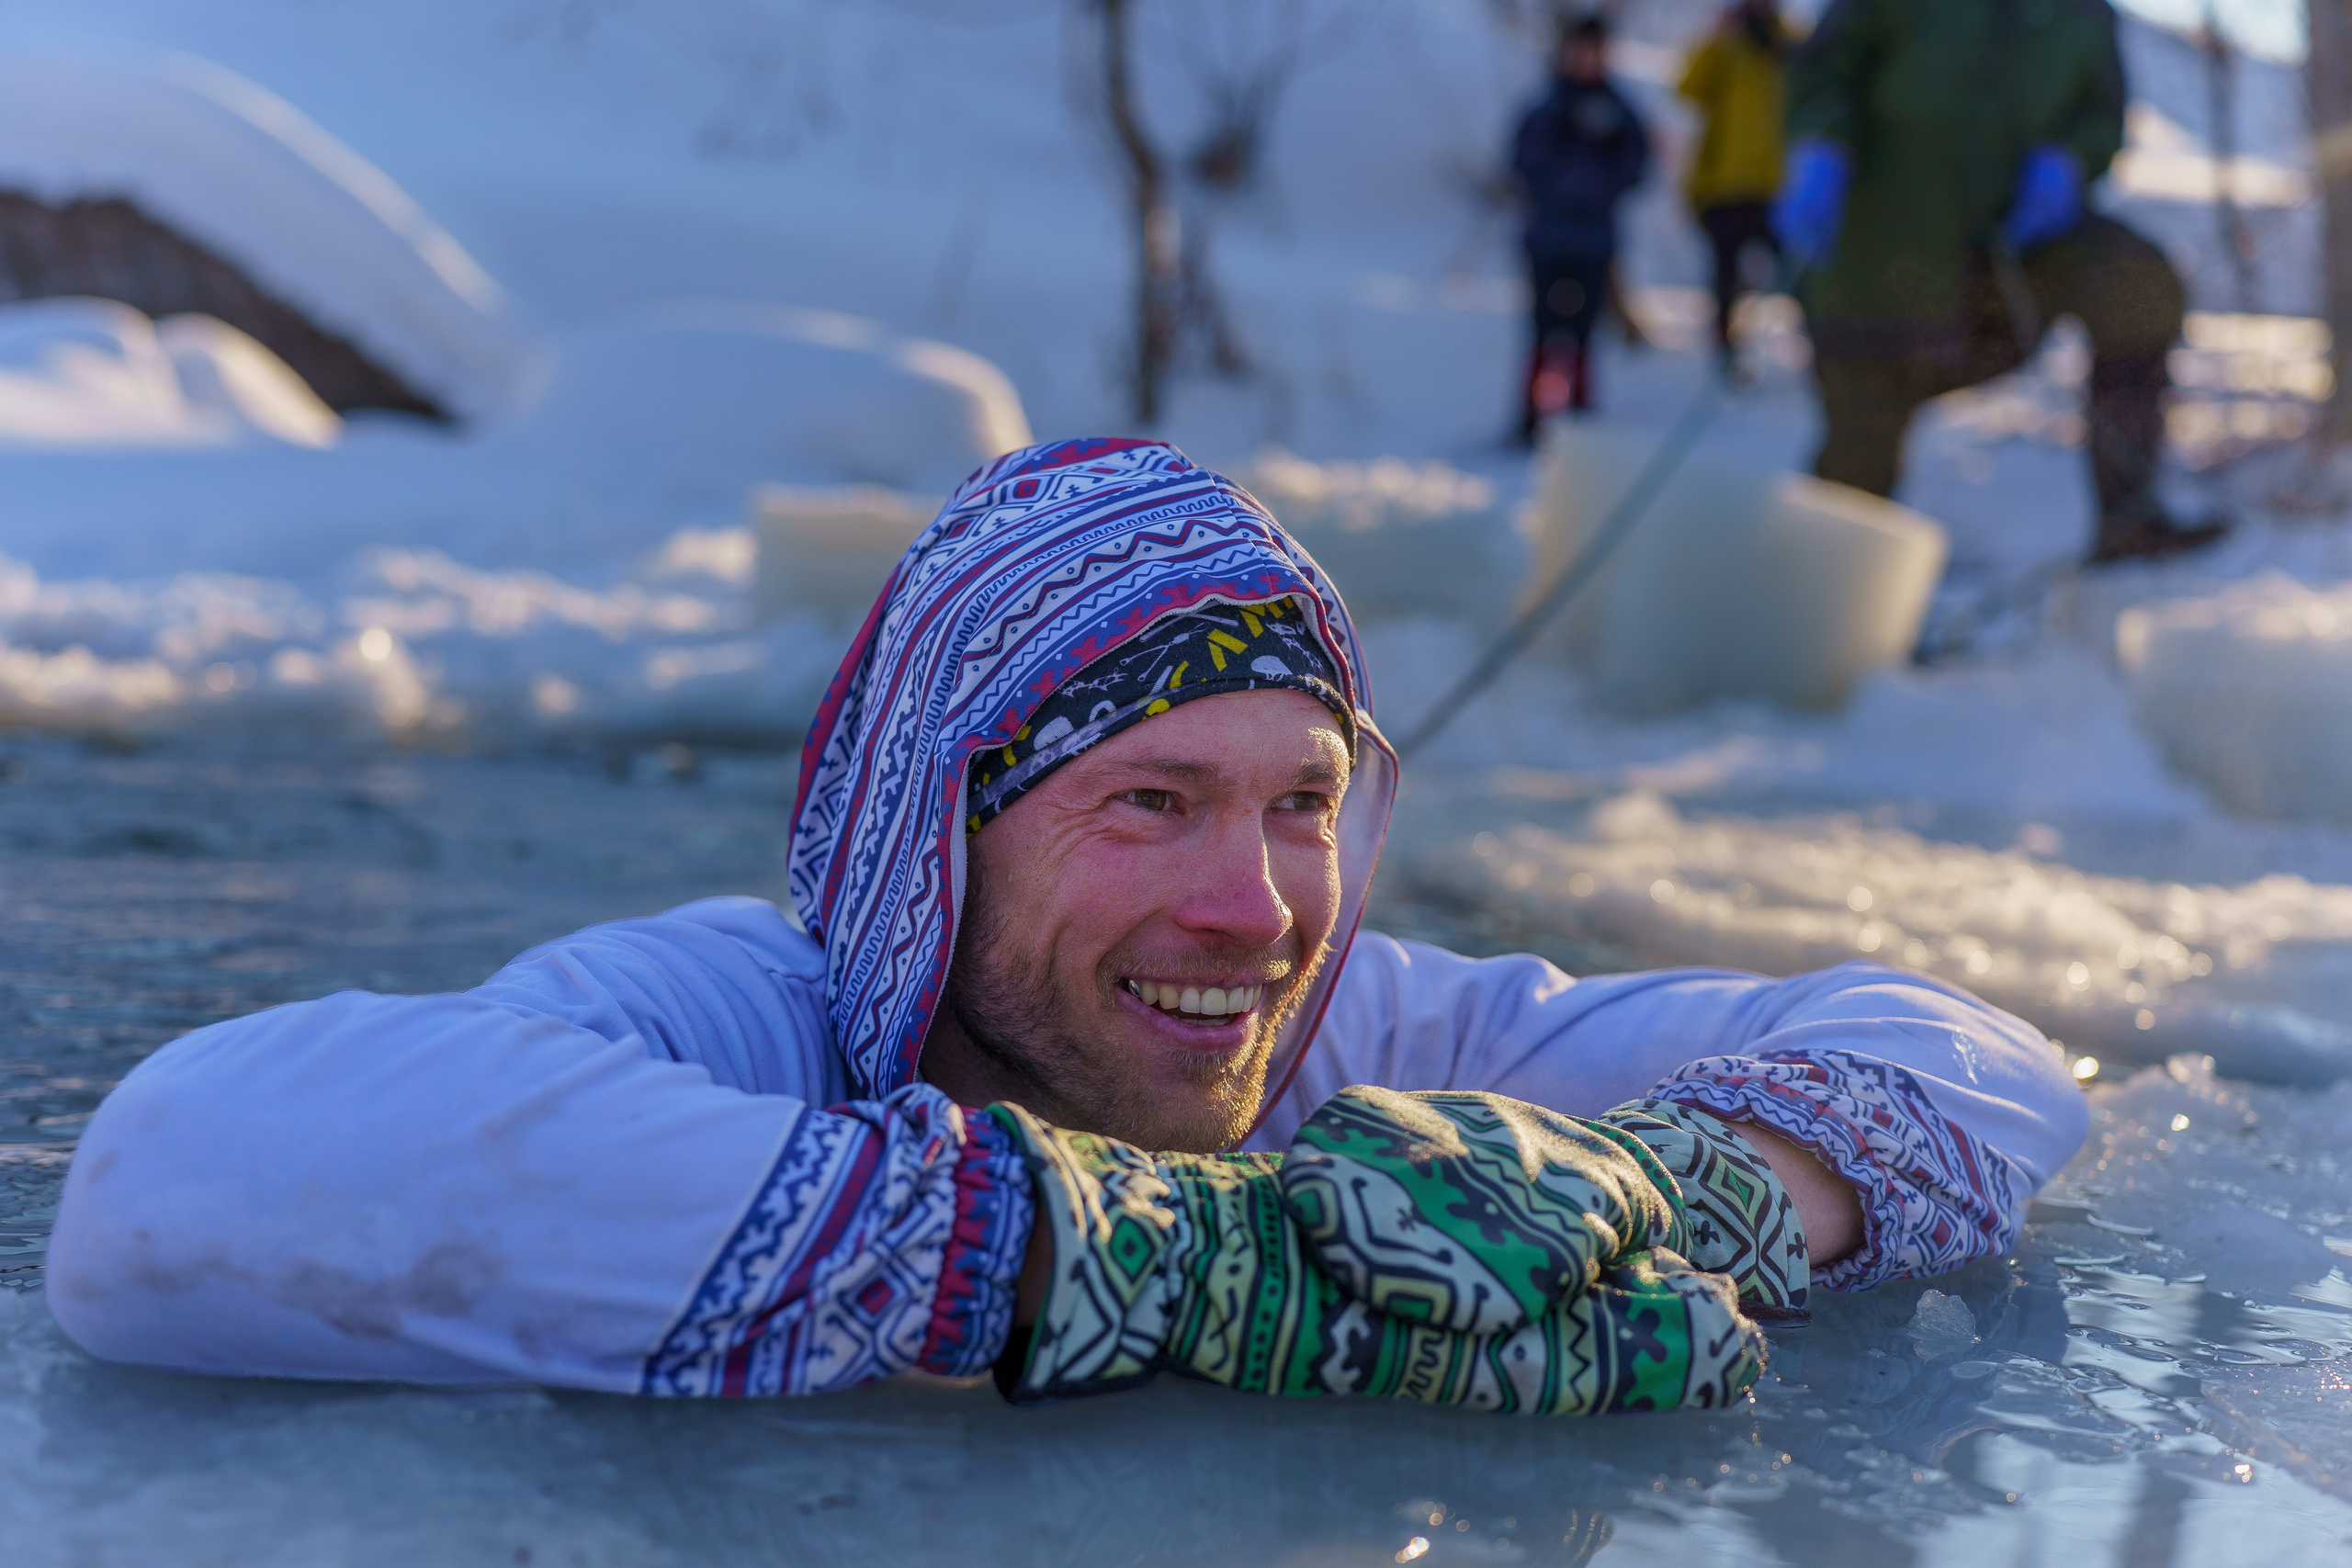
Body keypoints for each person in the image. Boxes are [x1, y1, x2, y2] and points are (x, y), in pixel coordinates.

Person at [44, 438, 2086, 1410]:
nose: (1256, 900)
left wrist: (1677, 1190)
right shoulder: (747, 1013)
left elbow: (1970, 1054)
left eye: (1302, 800)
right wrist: (1146, 1253)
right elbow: (162, 1182)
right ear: (943, 826)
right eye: (1148, 801)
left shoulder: (1342, 1033)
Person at [1772, 0, 2226, 564]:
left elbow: (2100, 115)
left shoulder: (2083, 11)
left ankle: (2128, 520)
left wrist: (2071, 159)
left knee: (2138, 282)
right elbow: (1820, 73)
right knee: (1858, 471)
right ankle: (1823, 603)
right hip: (1880, 263)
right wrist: (1820, 144)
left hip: (2009, 263)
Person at [1510, 15, 1651, 438]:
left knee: (1585, 335)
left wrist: (1604, 170)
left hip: (1594, 238)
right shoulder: (1546, 106)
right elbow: (1523, 162)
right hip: (1548, 237)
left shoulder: (1620, 110)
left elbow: (1637, 166)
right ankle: (1531, 419)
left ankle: (1580, 420)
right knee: (1541, 330)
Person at [1676, 0, 1792, 371]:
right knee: (1725, 275)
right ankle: (1725, 349)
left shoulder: (1788, 44)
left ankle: (1807, 349)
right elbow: (1687, 89)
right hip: (1723, 183)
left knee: (1792, 271)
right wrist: (1717, 38)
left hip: (1776, 184)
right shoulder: (1725, 45)